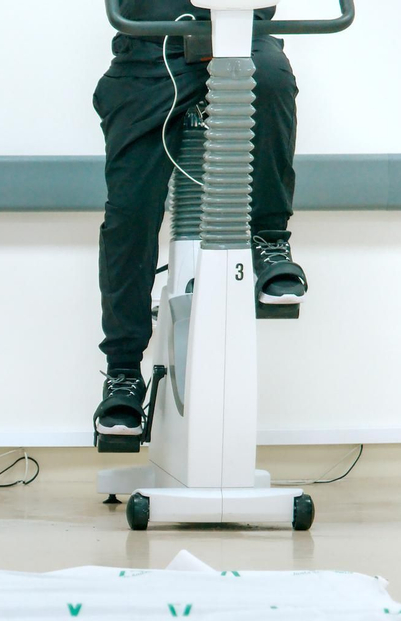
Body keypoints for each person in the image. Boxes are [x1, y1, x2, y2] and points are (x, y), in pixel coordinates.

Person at [93, 0, 305, 441]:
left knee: (271, 76)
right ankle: (124, 371)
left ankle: (269, 242)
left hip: (238, 40)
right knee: (128, 215)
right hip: (150, 52)